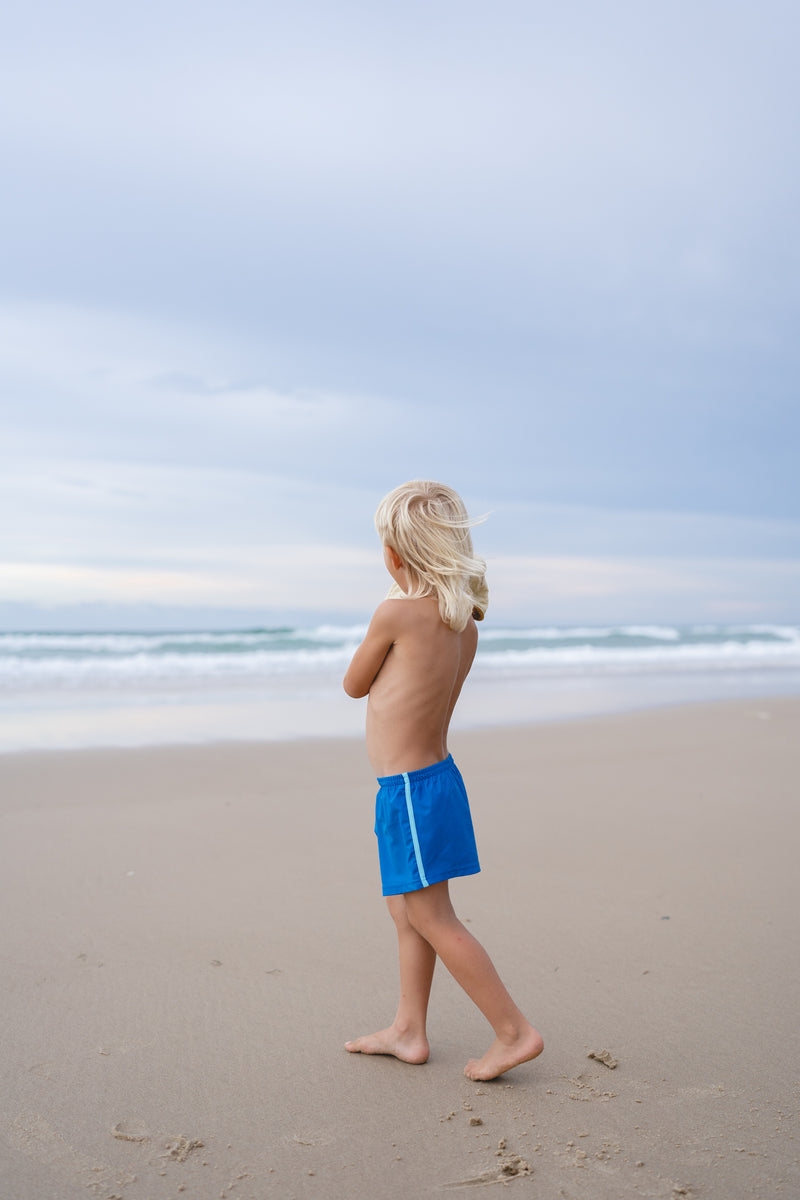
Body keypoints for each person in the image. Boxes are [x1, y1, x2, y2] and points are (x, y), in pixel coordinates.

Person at [343, 480, 543, 1081]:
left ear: (396, 554)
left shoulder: (395, 613)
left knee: (431, 916)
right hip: (437, 782)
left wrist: (392, 607)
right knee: (406, 911)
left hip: (405, 793)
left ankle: (514, 1032)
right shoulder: (464, 627)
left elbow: (355, 684)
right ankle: (408, 1029)